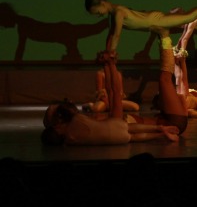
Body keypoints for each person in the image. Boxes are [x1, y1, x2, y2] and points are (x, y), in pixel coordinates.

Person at [41, 57, 180, 145]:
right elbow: (110, 92)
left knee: (132, 133)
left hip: (119, 136)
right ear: (57, 127)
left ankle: (159, 133)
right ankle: (159, 130)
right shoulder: (76, 120)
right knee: (124, 123)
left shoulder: (71, 140)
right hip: (112, 114)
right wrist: (110, 64)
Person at [84, 0, 197, 54]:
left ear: (102, 3)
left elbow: (117, 35)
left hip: (156, 19)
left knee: (188, 17)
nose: (98, 15)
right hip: (152, 20)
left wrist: (111, 53)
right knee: (186, 19)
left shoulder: (117, 12)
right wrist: (107, 51)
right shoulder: (114, 13)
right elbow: (111, 35)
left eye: (97, 12)